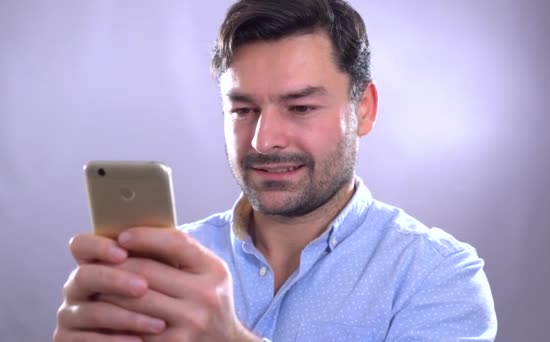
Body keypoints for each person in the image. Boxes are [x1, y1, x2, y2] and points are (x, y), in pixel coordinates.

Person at [54, 0, 497, 341]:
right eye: (243, 109)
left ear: (364, 109)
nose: (265, 140)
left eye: (301, 107)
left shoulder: (438, 275)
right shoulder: (163, 271)